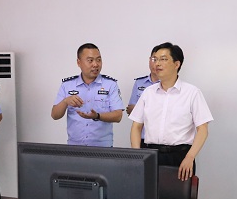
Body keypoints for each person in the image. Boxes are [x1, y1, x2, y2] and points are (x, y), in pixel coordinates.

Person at [129, 42, 213, 182]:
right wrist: (137, 156)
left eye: (163, 59)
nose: (157, 64)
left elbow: (203, 129)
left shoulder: (192, 93)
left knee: (177, 195)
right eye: (155, 59)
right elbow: (136, 126)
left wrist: (190, 157)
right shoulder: (148, 93)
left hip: (180, 157)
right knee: (149, 195)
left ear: (176, 64)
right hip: (150, 155)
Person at [51, 43, 123, 147]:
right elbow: (55, 115)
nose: (95, 64)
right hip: (74, 147)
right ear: (79, 62)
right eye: (90, 60)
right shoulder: (67, 85)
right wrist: (65, 101)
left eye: (98, 60)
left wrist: (97, 116)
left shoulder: (110, 84)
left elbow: (118, 116)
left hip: (103, 148)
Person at [126, 46, 160, 146]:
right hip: (142, 137)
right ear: (149, 60)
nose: (156, 64)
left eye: (160, 60)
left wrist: (141, 110)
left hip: (160, 140)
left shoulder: (167, 85)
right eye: (154, 59)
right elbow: (130, 110)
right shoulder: (139, 82)